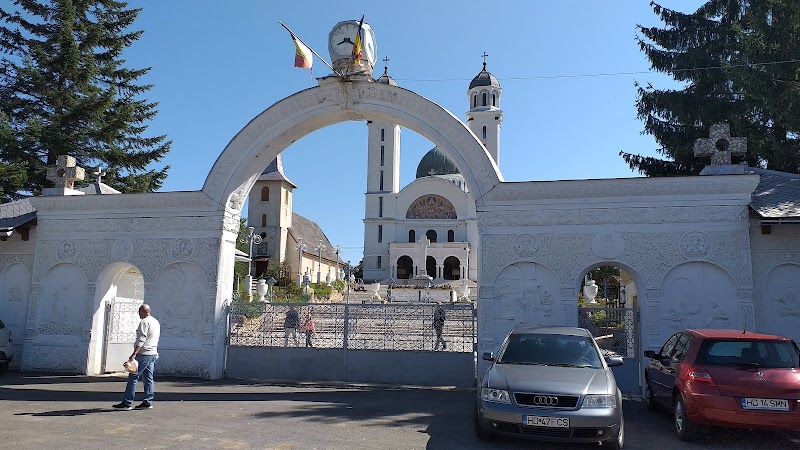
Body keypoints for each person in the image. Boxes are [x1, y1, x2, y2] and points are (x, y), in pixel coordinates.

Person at [113, 304, 160, 410]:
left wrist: (134, 354)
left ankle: (127, 402)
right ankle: (148, 401)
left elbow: (142, 339)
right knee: (148, 378)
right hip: (152, 353)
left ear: (143, 312)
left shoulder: (144, 322)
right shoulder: (155, 322)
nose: (138, 314)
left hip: (143, 354)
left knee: (133, 378)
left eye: (139, 312)